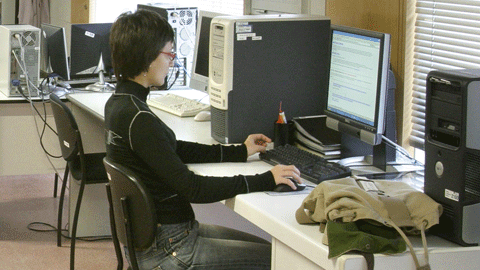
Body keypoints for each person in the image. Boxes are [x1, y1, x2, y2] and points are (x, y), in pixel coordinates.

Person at [105, 9, 301, 270]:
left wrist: (239, 151)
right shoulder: (139, 118)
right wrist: (266, 179)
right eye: (169, 53)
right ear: (147, 58)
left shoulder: (120, 104)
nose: (172, 61)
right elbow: (193, 188)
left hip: (160, 238)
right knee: (279, 262)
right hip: (169, 248)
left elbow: (172, 149)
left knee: (271, 251)